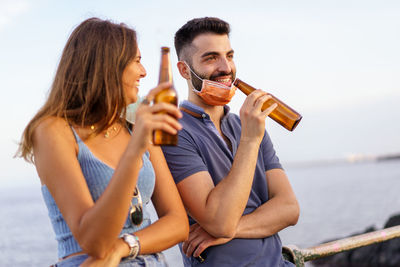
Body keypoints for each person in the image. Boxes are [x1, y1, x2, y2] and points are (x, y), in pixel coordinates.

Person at [16, 17, 189, 267]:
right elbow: (95, 242)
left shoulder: (133, 125)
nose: (144, 72)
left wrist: (122, 247)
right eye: (137, 61)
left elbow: (178, 223)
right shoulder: (54, 130)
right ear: (108, 65)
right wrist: (135, 150)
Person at [161, 17, 300, 266]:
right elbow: (219, 221)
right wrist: (249, 141)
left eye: (230, 56)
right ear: (184, 70)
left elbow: (289, 209)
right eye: (211, 58)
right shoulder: (174, 131)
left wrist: (229, 232)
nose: (226, 68)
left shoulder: (246, 125)